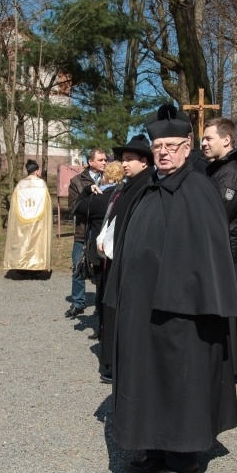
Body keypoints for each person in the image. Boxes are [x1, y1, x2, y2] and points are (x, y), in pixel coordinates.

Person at [103, 104, 237, 473]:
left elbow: (210, 252)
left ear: (187, 146)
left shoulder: (199, 189)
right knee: (145, 375)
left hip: (183, 310)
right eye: (158, 147)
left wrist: (189, 295)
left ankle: (183, 457)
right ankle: (152, 445)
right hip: (141, 306)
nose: (164, 153)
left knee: (180, 378)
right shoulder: (145, 187)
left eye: (171, 146)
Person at [95, 135, 155, 383]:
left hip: (131, 260)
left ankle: (118, 363)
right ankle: (112, 361)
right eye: (123, 160)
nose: (124, 164)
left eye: (129, 159)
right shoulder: (129, 185)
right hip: (115, 255)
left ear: (144, 161)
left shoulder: (147, 185)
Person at [201, 117, 237, 378]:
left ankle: (229, 365)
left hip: (224, 251)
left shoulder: (231, 172)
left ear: (226, 139)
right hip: (219, 250)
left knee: (226, 308)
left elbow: (217, 214)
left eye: (208, 138)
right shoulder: (218, 169)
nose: (204, 143)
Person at [73, 161, 124, 339]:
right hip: (120, 249)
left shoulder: (99, 198)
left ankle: (102, 327)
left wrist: (87, 190)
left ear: (106, 176)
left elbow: (77, 208)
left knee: (101, 290)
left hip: (100, 251)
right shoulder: (125, 195)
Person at [65, 149, 108, 318]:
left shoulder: (109, 178)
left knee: (100, 269)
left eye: (105, 160)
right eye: (101, 160)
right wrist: (92, 199)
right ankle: (78, 303)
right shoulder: (77, 181)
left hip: (102, 232)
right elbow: (73, 208)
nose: (104, 162)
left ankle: (100, 304)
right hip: (82, 232)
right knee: (78, 266)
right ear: (90, 162)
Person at [3, 159, 52, 277]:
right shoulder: (41, 184)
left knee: (22, 242)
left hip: (22, 219)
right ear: (36, 171)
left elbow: (14, 204)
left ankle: (22, 267)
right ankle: (36, 267)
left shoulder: (20, 184)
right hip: (38, 220)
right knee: (36, 242)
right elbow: (47, 204)